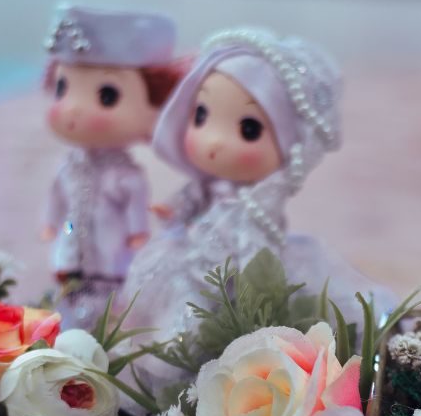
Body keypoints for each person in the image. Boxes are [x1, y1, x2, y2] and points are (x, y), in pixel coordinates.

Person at [121, 27, 395, 394]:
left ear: (289, 149)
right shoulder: (207, 187)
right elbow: (192, 202)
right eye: (201, 115)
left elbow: (255, 247)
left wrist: (237, 269)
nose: (214, 141)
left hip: (233, 282)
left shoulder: (256, 206)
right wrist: (176, 212)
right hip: (188, 267)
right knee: (162, 321)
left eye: (248, 129)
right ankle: (166, 382)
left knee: (213, 326)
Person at [42, 4, 181, 328]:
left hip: (112, 240)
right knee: (68, 269)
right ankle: (72, 308)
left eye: (106, 95)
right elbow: (56, 195)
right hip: (72, 236)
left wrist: (136, 231)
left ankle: (106, 317)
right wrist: (50, 220)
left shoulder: (126, 174)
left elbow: (135, 201)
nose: (74, 110)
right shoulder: (69, 167)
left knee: (110, 274)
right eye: (63, 88)